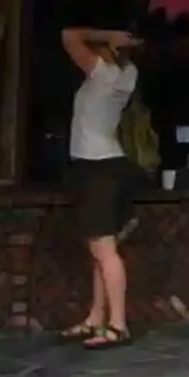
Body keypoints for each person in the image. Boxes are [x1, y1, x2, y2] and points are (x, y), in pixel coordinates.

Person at [61, 24, 140, 347]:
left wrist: (106, 35)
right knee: (99, 248)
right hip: (104, 164)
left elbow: (69, 36)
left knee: (105, 250)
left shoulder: (105, 74)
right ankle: (97, 317)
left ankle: (118, 324)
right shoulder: (127, 74)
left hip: (98, 168)